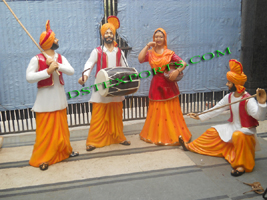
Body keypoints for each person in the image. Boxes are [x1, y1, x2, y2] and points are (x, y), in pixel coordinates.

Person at [180, 59, 267, 176]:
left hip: (245, 131)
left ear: (236, 84)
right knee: (211, 132)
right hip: (232, 127)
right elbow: (216, 109)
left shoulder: (248, 99)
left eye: (229, 83)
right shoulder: (229, 97)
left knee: (237, 135)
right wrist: (199, 116)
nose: (227, 84)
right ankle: (190, 146)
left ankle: (241, 166)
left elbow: (259, 116)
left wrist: (262, 104)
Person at [26, 20, 79, 171]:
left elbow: (71, 71)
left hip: (59, 98)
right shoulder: (37, 59)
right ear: (49, 42)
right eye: (55, 38)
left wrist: (57, 65)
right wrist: (47, 72)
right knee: (45, 132)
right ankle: (43, 158)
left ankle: (64, 151)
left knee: (62, 129)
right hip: (45, 101)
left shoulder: (60, 58)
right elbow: (29, 77)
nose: (57, 40)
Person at [78, 16, 130, 151]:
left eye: (110, 32)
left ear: (114, 35)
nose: (108, 35)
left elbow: (125, 66)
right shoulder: (97, 51)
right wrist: (84, 76)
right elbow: (89, 64)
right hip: (101, 86)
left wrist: (128, 80)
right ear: (102, 35)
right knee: (99, 113)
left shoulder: (119, 51)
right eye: (106, 32)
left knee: (116, 113)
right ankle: (94, 141)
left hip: (116, 86)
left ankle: (118, 136)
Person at [138, 28, 191, 145]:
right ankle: (157, 134)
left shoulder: (169, 53)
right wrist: (147, 46)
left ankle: (172, 134)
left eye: (161, 37)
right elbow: (140, 59)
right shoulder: (150, 53)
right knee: (157, 110)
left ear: (164, 38)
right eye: (156, 36)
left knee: (170, 110)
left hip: (168, 85)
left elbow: (183, 63)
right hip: (156, 85)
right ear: (153, 38)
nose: (158, 39)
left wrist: (177, 71)